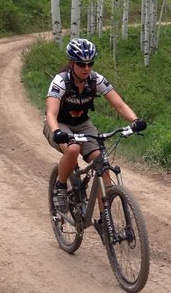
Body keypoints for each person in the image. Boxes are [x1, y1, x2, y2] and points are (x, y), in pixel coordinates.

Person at [44, 37, 144, 227]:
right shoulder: (61, 81)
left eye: (90, 63)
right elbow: (51, 112)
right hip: (59, 124)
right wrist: (56, 131)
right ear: (72, 63)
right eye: (81, 64)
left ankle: (105, 220)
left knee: (100, 160)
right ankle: (61, 185)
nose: (86, 68)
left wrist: (135, 120)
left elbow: (119, 104)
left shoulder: (95, 80)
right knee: (72, 149)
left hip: (83, 124)